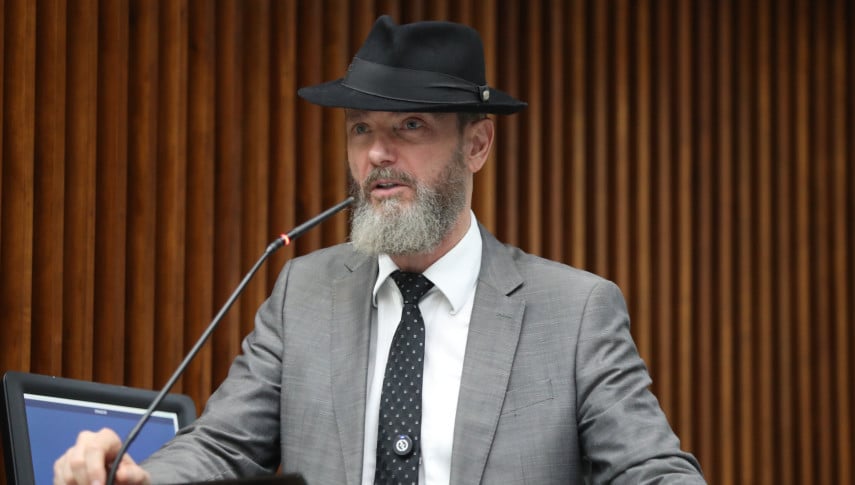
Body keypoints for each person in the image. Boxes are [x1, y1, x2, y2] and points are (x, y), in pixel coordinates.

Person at [54, 15, 705, 485]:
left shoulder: (574, 310)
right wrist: (140, 477)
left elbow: (649, 468)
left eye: (409, 126)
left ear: (476, 145)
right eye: (361, 129)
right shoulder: (302, 291)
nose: (375, 155)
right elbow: (223, 446)